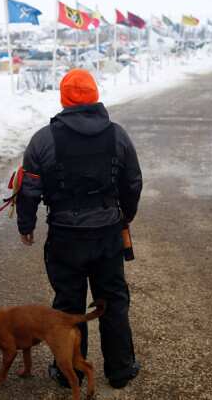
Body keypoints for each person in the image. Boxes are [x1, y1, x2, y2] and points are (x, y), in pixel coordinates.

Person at [16, 69, 143, 389]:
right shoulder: (117, 135)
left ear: (64, 99)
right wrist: (125, 216)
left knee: (68, 306)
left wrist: (26, 225)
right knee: (113, 302)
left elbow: (29, 188)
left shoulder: (43, 139)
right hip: (107, 234)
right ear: (94, 95)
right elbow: (132, 181)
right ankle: (121, 370)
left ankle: (68, 372)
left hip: (64, 237)